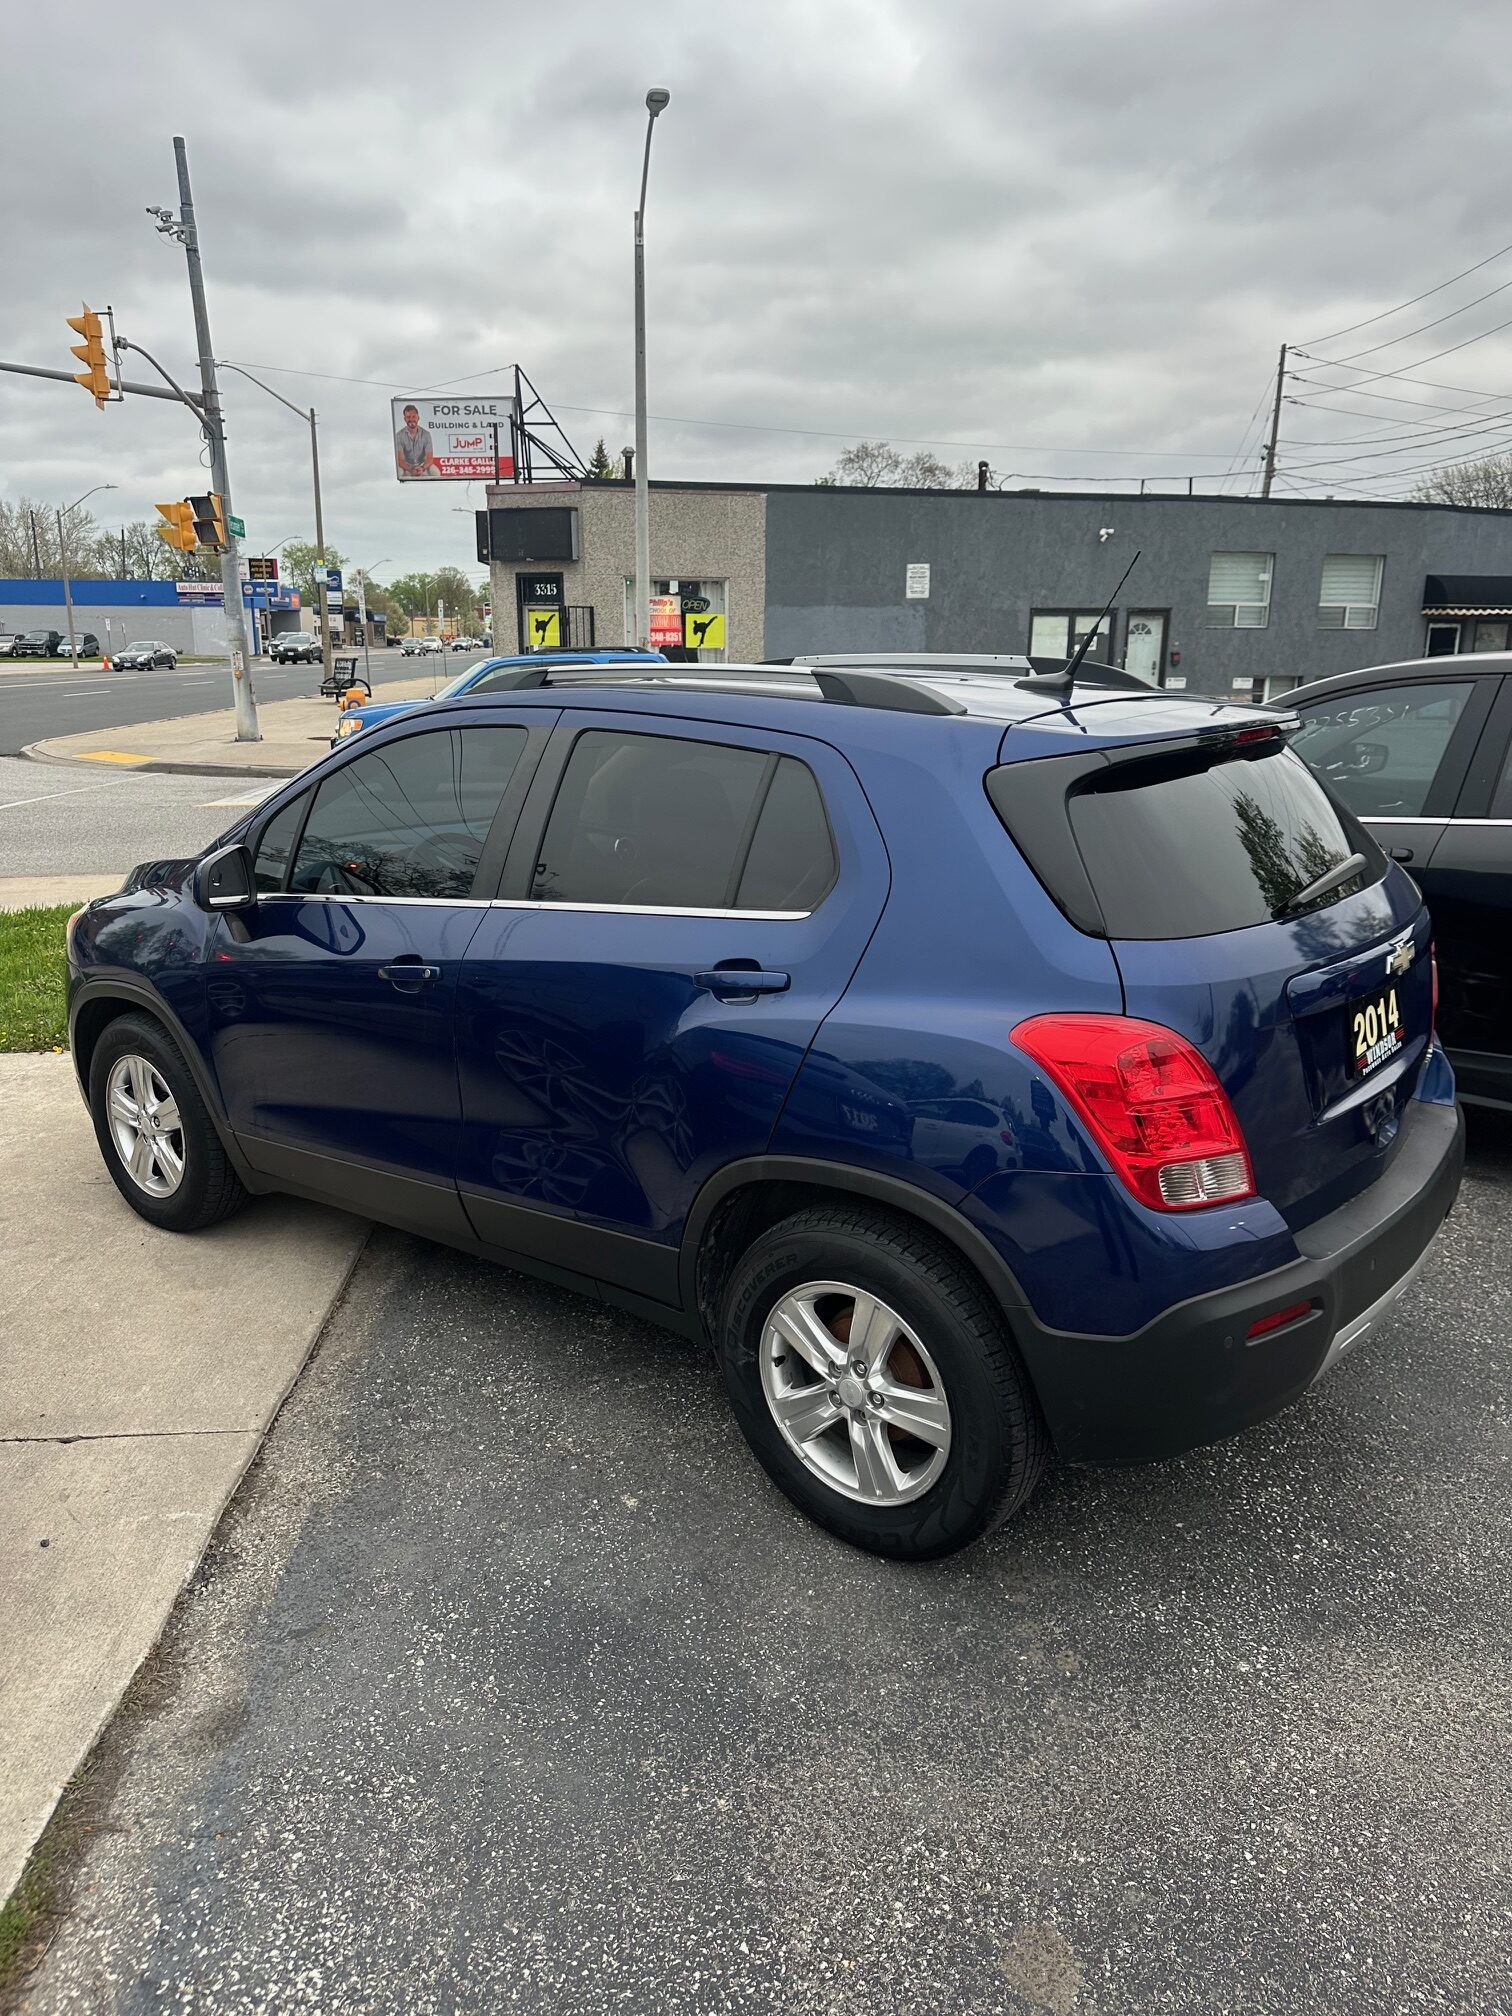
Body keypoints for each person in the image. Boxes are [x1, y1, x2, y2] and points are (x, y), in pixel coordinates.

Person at [394, 404, 439, 479]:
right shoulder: (399, 435)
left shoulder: (426, 434)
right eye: (408, 417)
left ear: (418, 418)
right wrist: (411, 469)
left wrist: (422, 468)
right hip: (407, 466)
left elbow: (430, 458)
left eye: (414, 417)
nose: (411, 419)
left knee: (436, 473)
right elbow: (400, 460)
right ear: (405, 419)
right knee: (399, 472)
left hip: (422, 465)